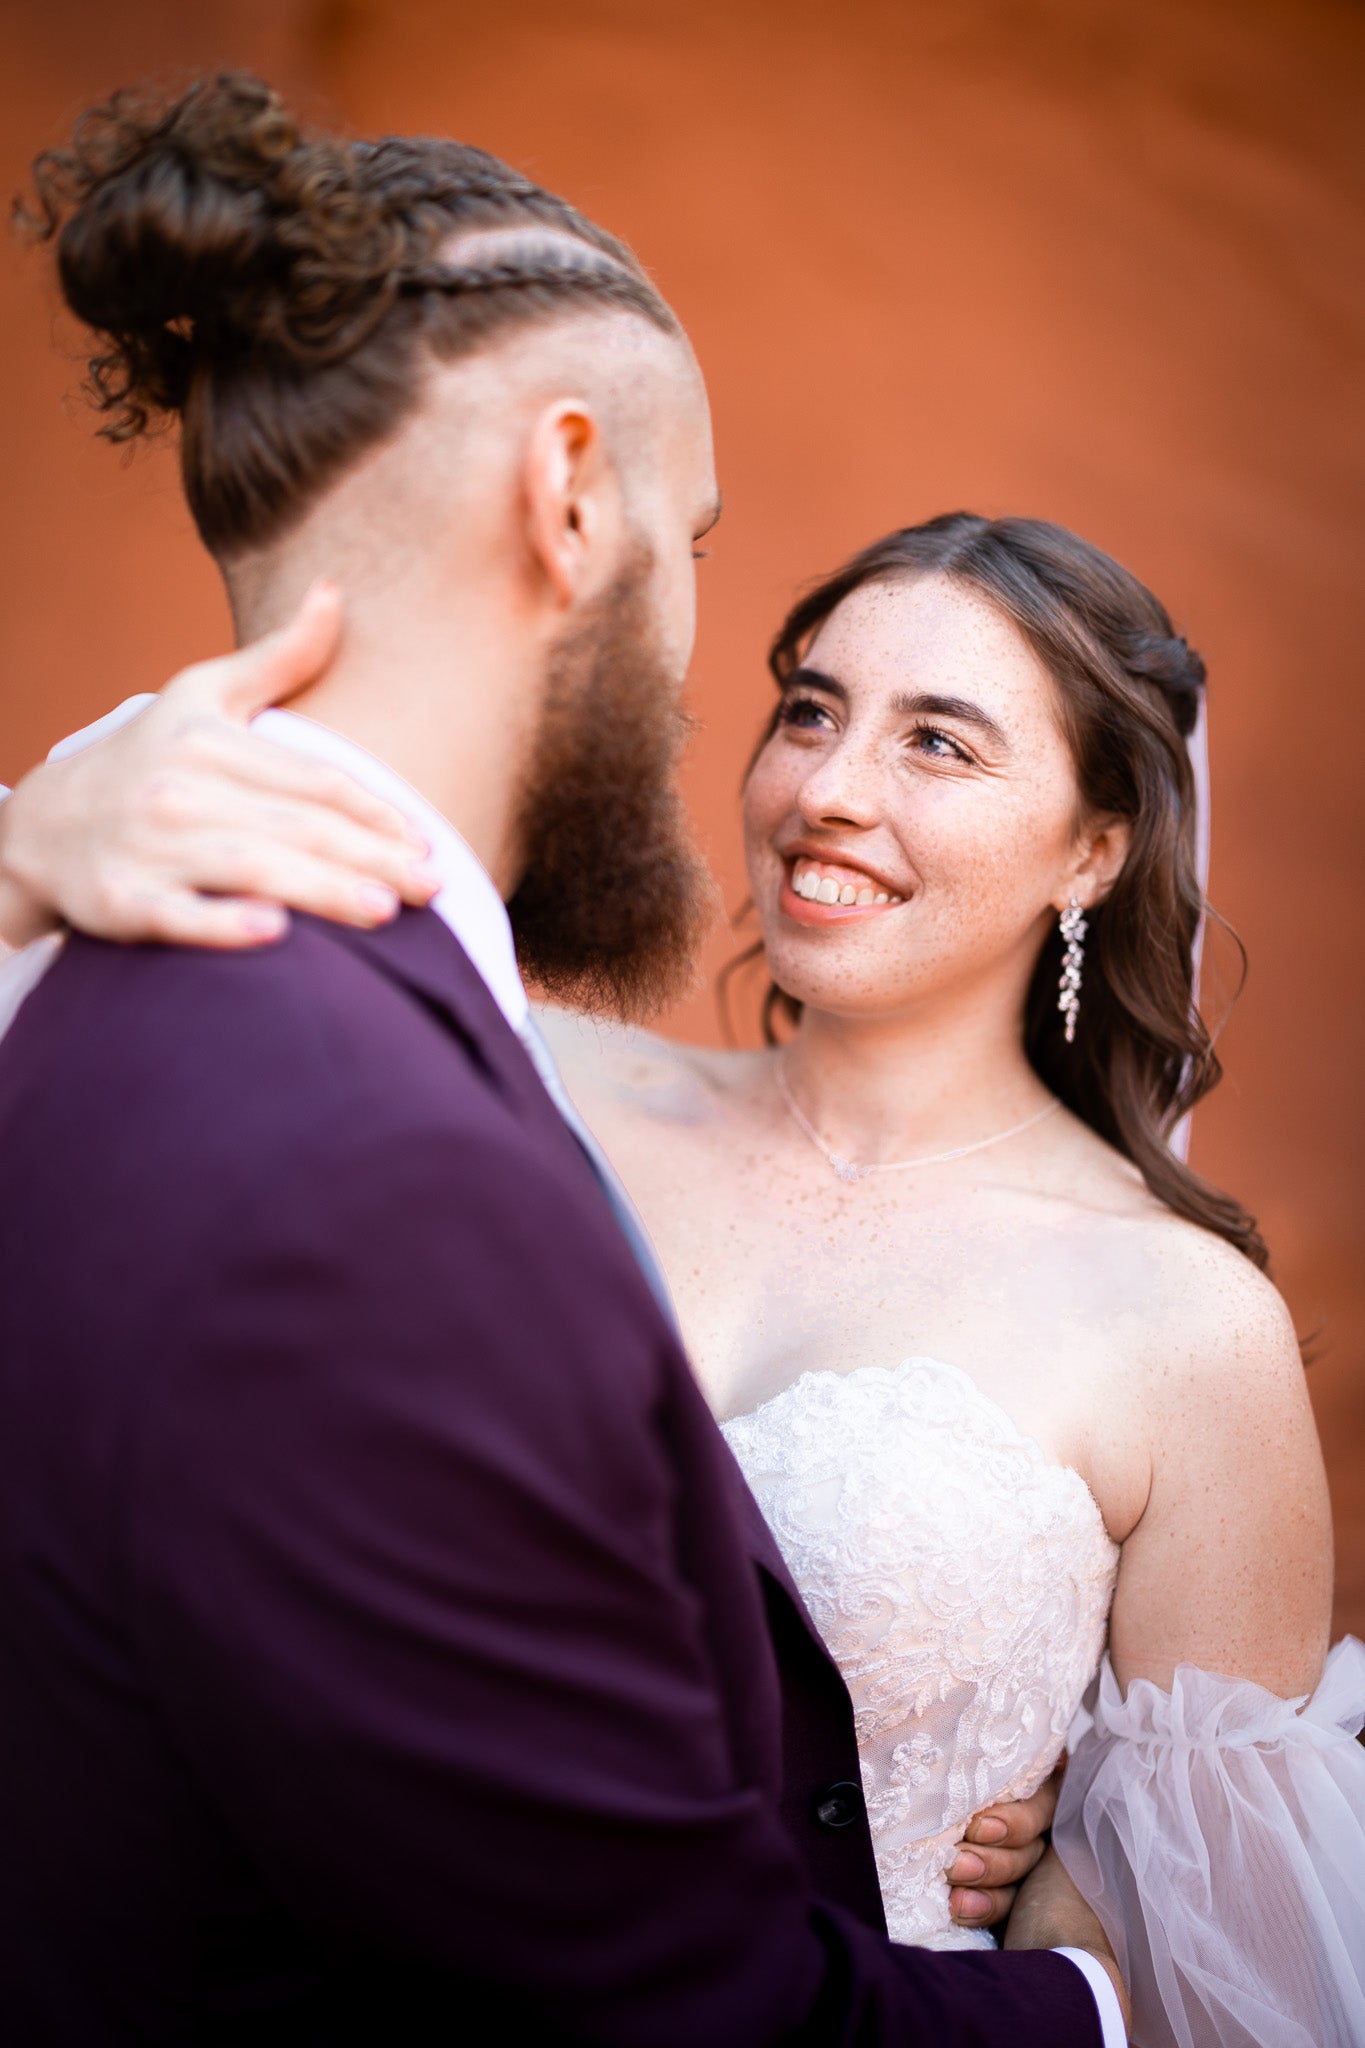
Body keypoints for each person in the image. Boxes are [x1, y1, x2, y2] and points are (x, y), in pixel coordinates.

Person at [0, 73, 1128, 2048]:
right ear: (571, 490)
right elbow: (678, 2015)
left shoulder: (81, 994)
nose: (700, 654)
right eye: (687, 547)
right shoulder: (375, 1170)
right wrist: (1103, 2003)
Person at [14, 511, 1365, 2039]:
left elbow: (1213, 1963)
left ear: (1093, 849)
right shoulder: (518, 1083)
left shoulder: (1183, 1326)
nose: (829, 792)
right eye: (810, 711)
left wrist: (1093, 1861)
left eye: (938, 744)